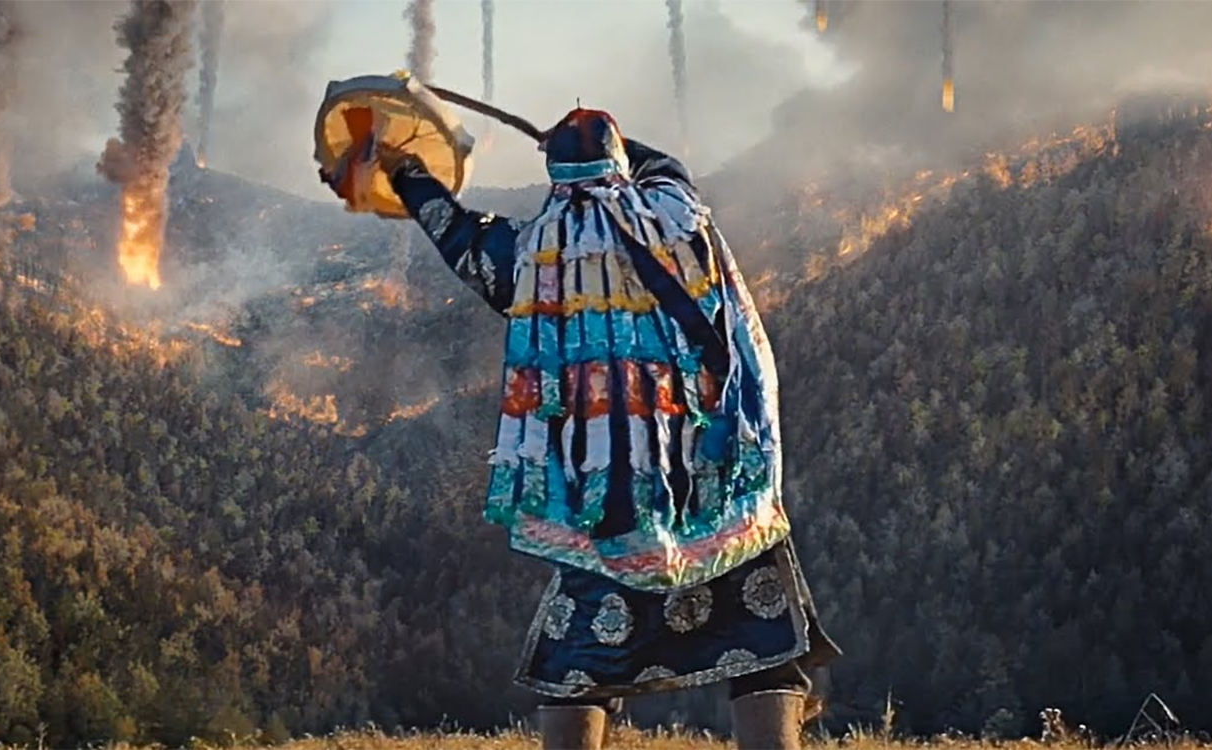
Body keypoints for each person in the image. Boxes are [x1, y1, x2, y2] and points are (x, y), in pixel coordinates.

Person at [321, 107, 840, 750]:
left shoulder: (535, 253)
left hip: (611, 495)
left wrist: (405, 170)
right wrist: (607, 143)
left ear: (555, 175)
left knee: (579, 661)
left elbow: (454, 233)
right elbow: (663, 166)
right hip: (716, 476)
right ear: (621, 161)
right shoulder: (681, 214)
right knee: (760, 645)